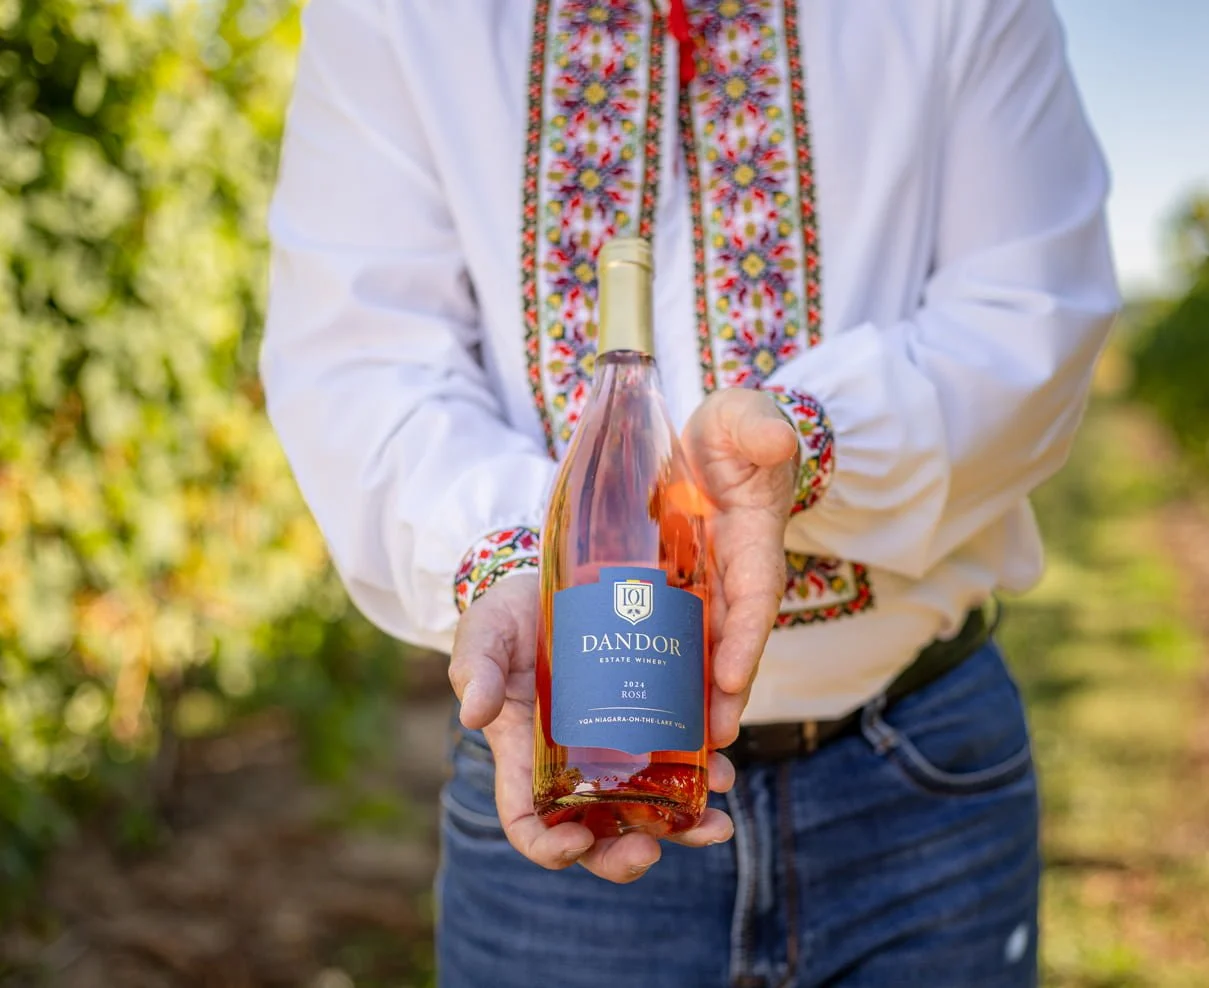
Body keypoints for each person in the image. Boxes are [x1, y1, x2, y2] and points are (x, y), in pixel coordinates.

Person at [260, 0, 1119, 983]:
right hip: (565, 778)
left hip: (919, 784)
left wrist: (807, 440)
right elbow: (361, 361)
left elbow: (1030, 315)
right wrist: (517, 560)